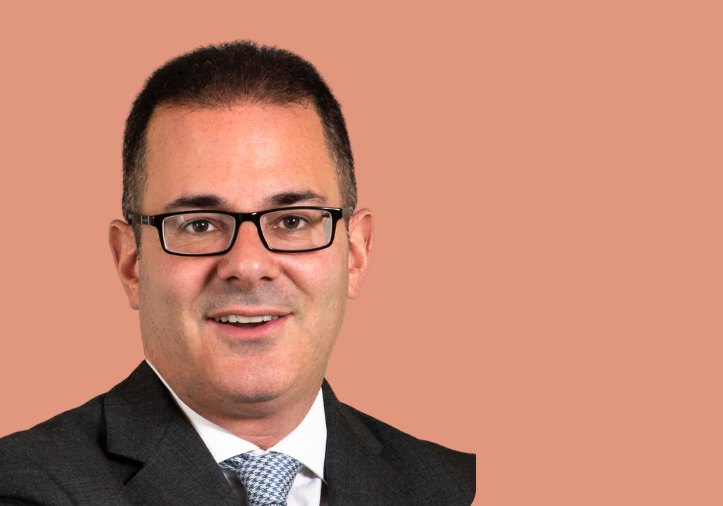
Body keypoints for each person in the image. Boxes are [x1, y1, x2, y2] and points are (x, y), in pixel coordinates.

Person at [0, 41, 475, 506]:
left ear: (355, 253)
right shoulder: (23, 485)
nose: (248, 267)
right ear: (131, 263)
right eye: (200, 225)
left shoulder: (457, 488)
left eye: (293, 221)